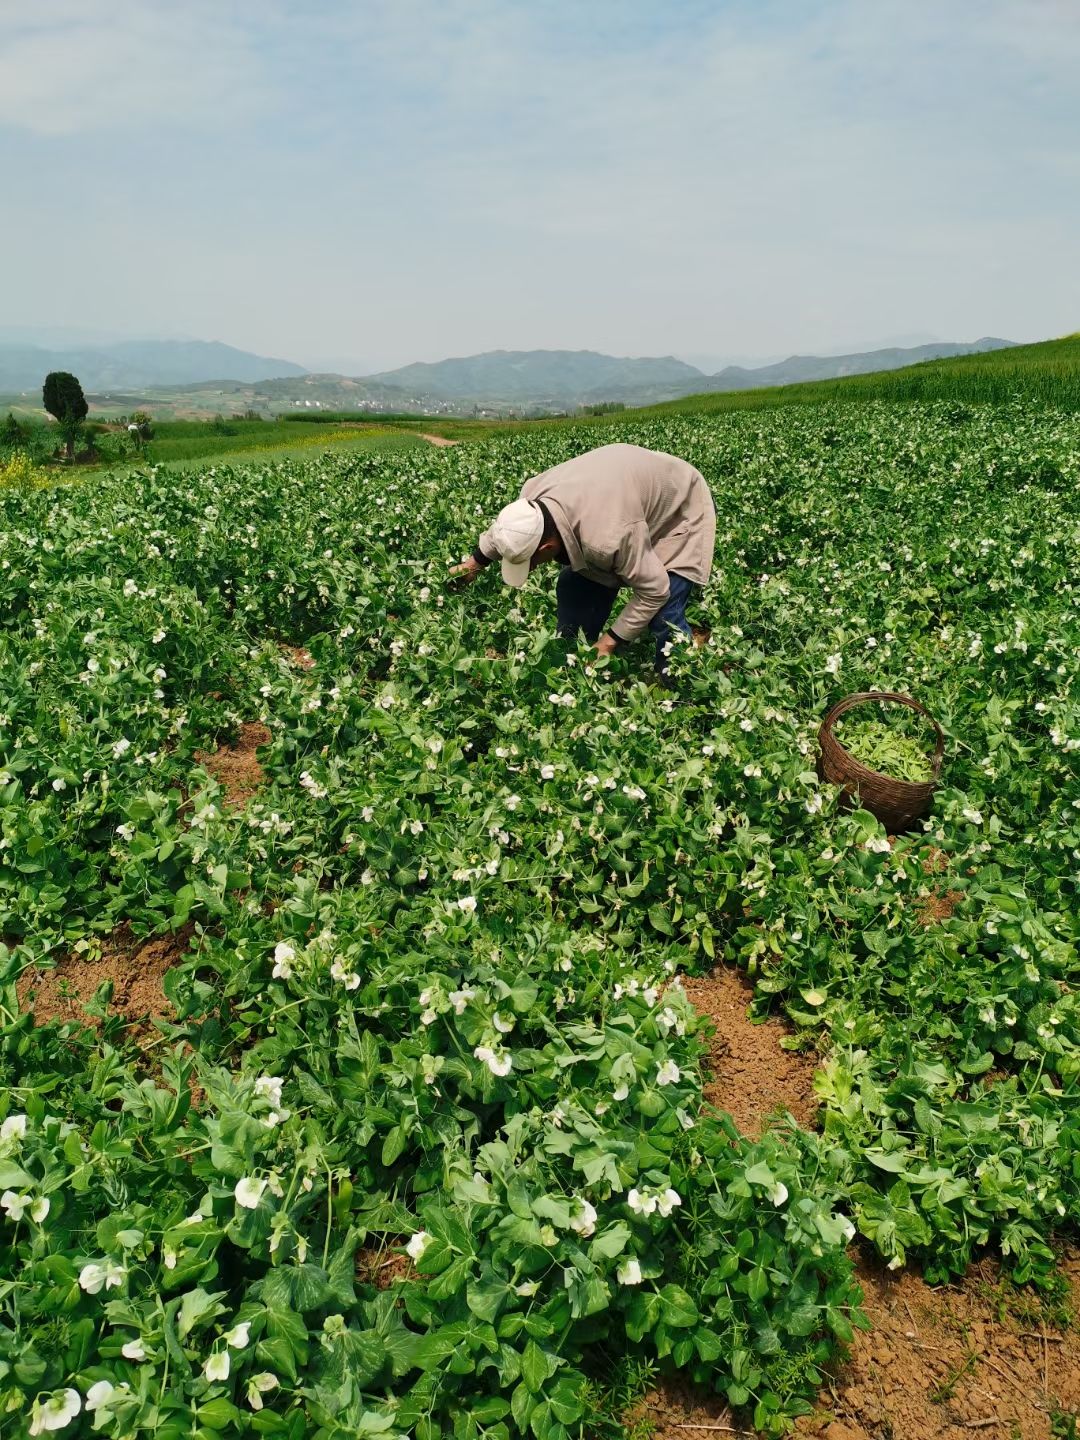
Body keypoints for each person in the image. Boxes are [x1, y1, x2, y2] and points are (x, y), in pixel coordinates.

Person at [450, 442, 715, 671]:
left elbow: (655, 590)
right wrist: (473, 564)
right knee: (574, 586)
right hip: (626, 493)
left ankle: (679, 680)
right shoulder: (531, 499)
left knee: (663, 613)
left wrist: (609, 642)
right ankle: (573, 656)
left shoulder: (608, 537)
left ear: (545, 549)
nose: (528, 570)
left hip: (679, 506)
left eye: (527, 563)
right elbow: (506, 533)